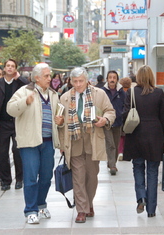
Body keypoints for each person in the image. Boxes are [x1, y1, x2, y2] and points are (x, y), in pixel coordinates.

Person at [7, 63, 63, 224]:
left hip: (48, 142)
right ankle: (30, 210)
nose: (49, 78)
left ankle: (41, 205)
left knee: (46, 176)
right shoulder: (24, 92)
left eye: (49, 75)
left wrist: (60, 121)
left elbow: (58, 116)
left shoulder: (53, 94)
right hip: (29, 142)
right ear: (37, 78)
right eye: (46, 76)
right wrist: (25, 101)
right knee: (31, 177)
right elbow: (10, 109)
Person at [59, 67, 116, 223]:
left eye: (80, 81)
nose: (78, 85)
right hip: (74, 140)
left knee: (92, 176)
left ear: (87, 80)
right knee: (78, 177)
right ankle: (82, 210)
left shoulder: (99, 94)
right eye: (75, 81)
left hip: (93, 139)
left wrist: (105, 119)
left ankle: (89, 204)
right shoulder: (64, 98)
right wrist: (61, 143)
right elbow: (60, 121)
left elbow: (110, 111)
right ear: (70, 81)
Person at [123, 65, 164, 218]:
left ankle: (141, 197)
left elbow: (125, 115)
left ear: (138, 77)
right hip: (155, 136)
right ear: (151, 77)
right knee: (152, 172)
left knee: (137, 167)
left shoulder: (131, 93)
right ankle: (151, 209)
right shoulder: (158, 93)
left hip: (136, 136)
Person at [0, 59, 29, 191]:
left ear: (16, 69)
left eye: (13, 66)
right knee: (2, 153)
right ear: (4, 68)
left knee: (17, 151)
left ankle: (19, 179)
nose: (10, 68)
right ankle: (5, 180)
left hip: (18, 122)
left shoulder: (20, 83)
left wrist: (19, 78)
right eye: (8, 66)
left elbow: (31, 88)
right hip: (2, 123)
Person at [102, 70, 126, 175]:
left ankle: (111, 162)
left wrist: (122, 115)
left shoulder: (121, 92)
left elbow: (125, 105)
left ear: (117, 79)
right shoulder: (102, 91)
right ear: (107, 79)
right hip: (106, 122)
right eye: (110, 77)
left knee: (116, 144)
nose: (112, 79)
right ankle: (112, 165)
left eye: (114, 77)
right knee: (110, 144)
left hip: (118, 122)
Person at [118, 77, 132, 161]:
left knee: (121, 137)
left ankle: (120, 152)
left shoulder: (120, 92)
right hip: (130, 117)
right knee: (128, 136)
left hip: (121, 116)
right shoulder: (131, 91)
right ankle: (127, 152)